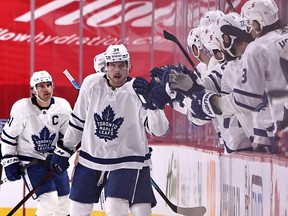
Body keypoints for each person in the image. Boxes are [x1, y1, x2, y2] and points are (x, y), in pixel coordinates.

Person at [51, 44, 169, 216]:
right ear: (105, 67)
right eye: (112, 65)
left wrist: (154, 107)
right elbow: (78, 121)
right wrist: (65, 148)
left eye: (122, 64)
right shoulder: (91, 84)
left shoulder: (138, 89)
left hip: (125, 160)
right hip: (90, 158)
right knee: (77, 208)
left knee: (116, 207)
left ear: (129, 66)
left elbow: (159, 131)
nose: (117, 70)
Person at [0, 70, 72, 216]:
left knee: (64, 202)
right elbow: (8, 137)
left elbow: (67, 136)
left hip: (54, 160)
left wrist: (64, 153)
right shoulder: (21, 108)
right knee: (48, 201)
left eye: (48, 85)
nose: (46, 89)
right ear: (33, 90)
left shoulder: (63, 107)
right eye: (41, 86)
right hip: (31, 161)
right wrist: (9, 161)